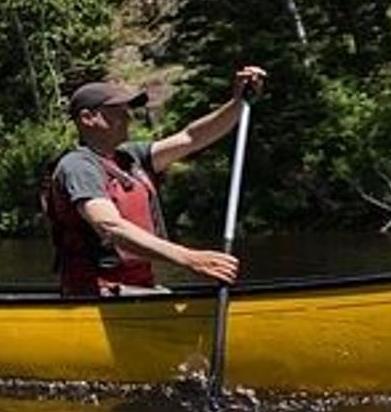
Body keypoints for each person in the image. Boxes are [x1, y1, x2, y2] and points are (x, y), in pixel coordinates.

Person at [42, 66, 267, 297]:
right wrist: (190, 259)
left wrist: (239, 102)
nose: (129, 117)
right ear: (88, 118)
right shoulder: (78, 166)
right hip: (97, 290)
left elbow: (191, 137)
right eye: (118, 111)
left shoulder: (132, 158)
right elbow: (110, 227)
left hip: (139, 287)